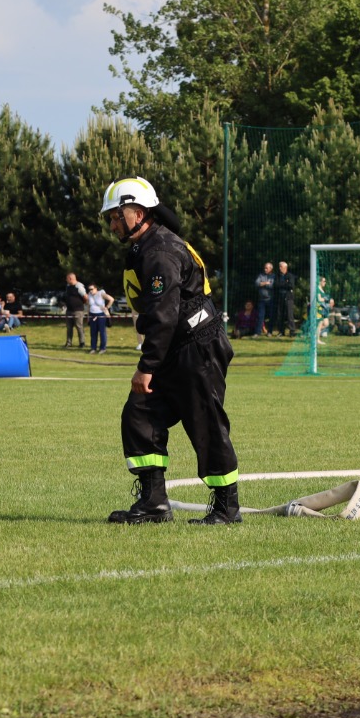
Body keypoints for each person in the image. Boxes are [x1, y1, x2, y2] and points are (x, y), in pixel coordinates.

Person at [100, 176, 241, 526]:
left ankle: (227, 508)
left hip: (197, 348)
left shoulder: (160, 252)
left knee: (205, 422)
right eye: (110, 218)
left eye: (117, 216)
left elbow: (164, 314)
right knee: (140, 413)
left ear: (139, 213)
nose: (113, 224)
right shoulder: (146, 246)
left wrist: (147, 366)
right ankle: (154, 504)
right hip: (175, 347)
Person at [87, 283, 114, 354]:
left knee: (102, 332)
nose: (90, 291)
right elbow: (88, 306)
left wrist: (107, 307)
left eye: (92, 289)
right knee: (93, 332)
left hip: (101, 315)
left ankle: (103, 348)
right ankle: (93, 348)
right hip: (92, 315)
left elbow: (111, 299)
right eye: (89, 289)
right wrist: (88, 316)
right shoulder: (89, 295)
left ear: (96, 289)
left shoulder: (101, 293)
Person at [62, 271, 87, 348]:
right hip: (69, 310)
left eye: (67, 279)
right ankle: (69, 343)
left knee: (79, 327)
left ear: (70, 278)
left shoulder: (79, 287)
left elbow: (85, 297)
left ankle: (82, 343)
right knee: (69, 327)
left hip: (78, 311)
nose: (66, 280)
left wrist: (81, 303)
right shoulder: (68, 287)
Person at [270, 261, 295, 336]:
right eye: (279, 266)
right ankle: (281, 331)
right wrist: (285, 283)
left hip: (288, 297)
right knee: (280, 315)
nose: (280, 268)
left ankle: (292, 331)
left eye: (281, 266)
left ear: (285, 267)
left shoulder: (290, 275)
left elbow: (291, 285)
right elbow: (275, 285)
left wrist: (281, 284)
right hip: (279, 297)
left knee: (289, 315)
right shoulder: (277, 276)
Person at [253, 263, 274, 336]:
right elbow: (257, 283)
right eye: (265, 268)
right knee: (260, 316)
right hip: (261, 300)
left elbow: (272, 285)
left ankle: (269, 332)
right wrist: (266, 283)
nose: (265, 269)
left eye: (267, 268)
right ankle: (257, 332)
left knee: (271, 316)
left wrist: (262, 284)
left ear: (271, 269)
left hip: (271, 299)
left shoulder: (274, 276)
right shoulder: (261, 275)